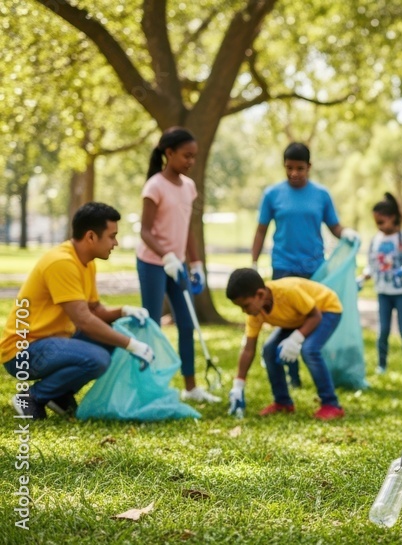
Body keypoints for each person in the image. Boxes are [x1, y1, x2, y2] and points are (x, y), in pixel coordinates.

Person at [1, 203, 155, 419]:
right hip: (23, 351)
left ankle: (60, 395)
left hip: (50, 343)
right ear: (91, 236)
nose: (116, 243)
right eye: (112, 236)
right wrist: (131, 344)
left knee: (106, 338)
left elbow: (95, 310)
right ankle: (32, 397)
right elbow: (84, 321)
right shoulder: (61, 262)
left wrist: (124, 310)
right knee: (98, 358)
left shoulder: (86, 261)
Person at [250, 142, 358, 388]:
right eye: (289, 168)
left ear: (309, 167)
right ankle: (292, 375)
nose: (294, 173)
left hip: (314, 267)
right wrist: (254, 263)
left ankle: (314, 367)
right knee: (288, 318)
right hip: (283, 266)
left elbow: (334, 227)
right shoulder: (272, 195)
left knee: (310, 316)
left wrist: (347, 233)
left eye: (300, 168)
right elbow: (260, 231)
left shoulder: (321, 195)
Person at [136, 127, 218, 403]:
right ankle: (150, 385)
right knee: (153, 324)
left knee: (186, 323)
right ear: (168, 153)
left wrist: (196, 264)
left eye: (194, 157)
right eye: (186, 156)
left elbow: (188, 229)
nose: (190, 162)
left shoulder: (189, 187)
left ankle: (191, 387)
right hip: (152, 263)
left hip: (178, 264)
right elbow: (145, 231)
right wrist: (166, 256)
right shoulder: (154, 186)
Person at [225, 268, 345, 420]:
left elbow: (315, 316)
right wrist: (238, 385)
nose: (244, 311)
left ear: (260, 294)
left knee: (309, 350)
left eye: (246, 306)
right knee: (269, 350)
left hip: (326, 309)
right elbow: (248, 349)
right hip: (299, 318)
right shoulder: (255, 313)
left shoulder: (288, 291)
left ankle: (332, 404)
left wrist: (296, 339)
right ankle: (283, 402)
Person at [356, 193, 402, 376]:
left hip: (401, 292)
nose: (379, 227)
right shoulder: (376, 240)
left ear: (392, 218)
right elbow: (372, 264)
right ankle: (381, 365)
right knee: (382, 331)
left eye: (382, 222)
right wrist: (363, 277)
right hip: (383, 292)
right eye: (377, 223)